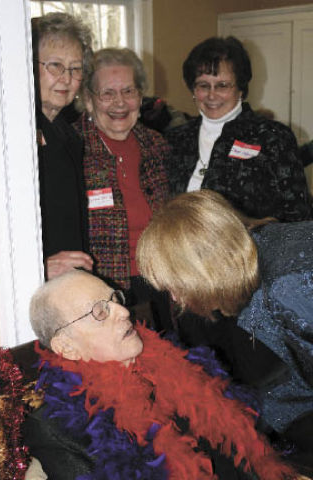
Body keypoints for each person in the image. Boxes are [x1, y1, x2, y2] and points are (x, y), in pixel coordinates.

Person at [23, 269, 297, 480]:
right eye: (99, 311)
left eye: (114, 299)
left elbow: (246, 445)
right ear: (67, 347)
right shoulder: (54, 428)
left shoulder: (176, 363)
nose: (121, 311)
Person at [137, 189, 313, 475]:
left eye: (175, 285)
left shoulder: (287, 284)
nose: (176, 299)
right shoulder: (261, 253)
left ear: (203, 269)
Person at [74, 48, 171, 330]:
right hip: (99, 289)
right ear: (90, 100)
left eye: (128, 91)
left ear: (140, 97)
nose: (119, 103)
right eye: (107, 93)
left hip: (159, 282)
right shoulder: (71, 148)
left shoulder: (157, 145)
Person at [164, 36, 312, 222]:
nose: (211, 95)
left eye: (222, 85)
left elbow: (298, 215)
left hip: (250, 249)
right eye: (203, 85)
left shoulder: (272, 137)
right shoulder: (174, 139)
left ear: (240, 88)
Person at [32, 13, 94, 280]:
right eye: (55, 65)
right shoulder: (10, 134)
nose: (66, 78)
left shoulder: (68, 134)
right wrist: (39, 265)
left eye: (75, 68)